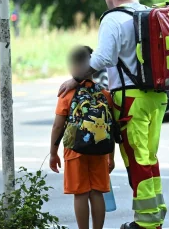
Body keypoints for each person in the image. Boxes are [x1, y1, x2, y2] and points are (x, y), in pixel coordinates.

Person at [58, 0, 167, 229]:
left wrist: (75, 79)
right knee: (149, 158)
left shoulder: (114, 19)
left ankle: (146, 223)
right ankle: (156, 215)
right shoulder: (145, 12)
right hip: (157, 97)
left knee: (136, 159)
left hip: (131, 100)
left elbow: (103, 58)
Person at [50, 45, 115, 229]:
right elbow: (110, 127)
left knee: (80, 193)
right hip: (100, 149)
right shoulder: (104, 93)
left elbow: (57, 126)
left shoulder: (67, 93)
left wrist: (53, 153)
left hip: (74, 150)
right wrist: (111, 156)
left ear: (73, 66)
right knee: (97, 193)